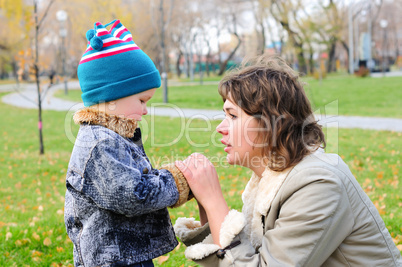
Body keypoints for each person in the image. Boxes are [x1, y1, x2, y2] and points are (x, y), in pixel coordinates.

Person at [174, 55, 402, 266]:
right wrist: (207, 205)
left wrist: (215, 201)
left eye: (233, 116)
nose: (220, 128)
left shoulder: (318, 184)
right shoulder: (272, 179)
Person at [64, 19, 192, 267]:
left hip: (127, 254)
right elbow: (133, 195)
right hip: (111, 259)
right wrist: (177, 181)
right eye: (142, 101)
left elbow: (135, 179)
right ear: (113, 96)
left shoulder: (113, 136)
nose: (145, 111)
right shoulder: (100, 143)